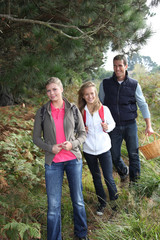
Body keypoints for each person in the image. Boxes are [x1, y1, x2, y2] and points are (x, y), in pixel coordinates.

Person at [33, 77, 89, 240]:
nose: (51, 93)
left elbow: (82, 133)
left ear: (61, 89)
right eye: (48, 91)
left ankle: (81, 234)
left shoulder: (72, 108)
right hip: (53, 163)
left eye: (54, 89)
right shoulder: (42, 112)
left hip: (73, 159)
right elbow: (36, 138)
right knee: (53, 206)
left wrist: (73, 144)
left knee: (78, 200)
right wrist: (50, 148)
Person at [99, 54, 154, 183]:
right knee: (114, 155)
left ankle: (135, 185)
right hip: (113, 126)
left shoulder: (134, 84)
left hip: (130, 125)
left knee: (134, 155)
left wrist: (149, 125)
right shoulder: (105, 84)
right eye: (115, 66)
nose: (117, 69)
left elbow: (142, 104)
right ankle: (124, 171)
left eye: (120, 65)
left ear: (126, 66)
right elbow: (99, 105)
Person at [78, 81, 118, 216]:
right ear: (83, 96)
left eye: (92, 94)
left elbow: (112, 124)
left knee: (108, 177)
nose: (90, 97)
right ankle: (102, 203)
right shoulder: (81, 112)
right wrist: (82, 129)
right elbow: (77, 130)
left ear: (96, 94)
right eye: (87, 94)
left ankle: (114, 201)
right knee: (96, 177)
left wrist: (107, 127)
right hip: (89, 150)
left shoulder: (104, 109)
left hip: (104, 148)